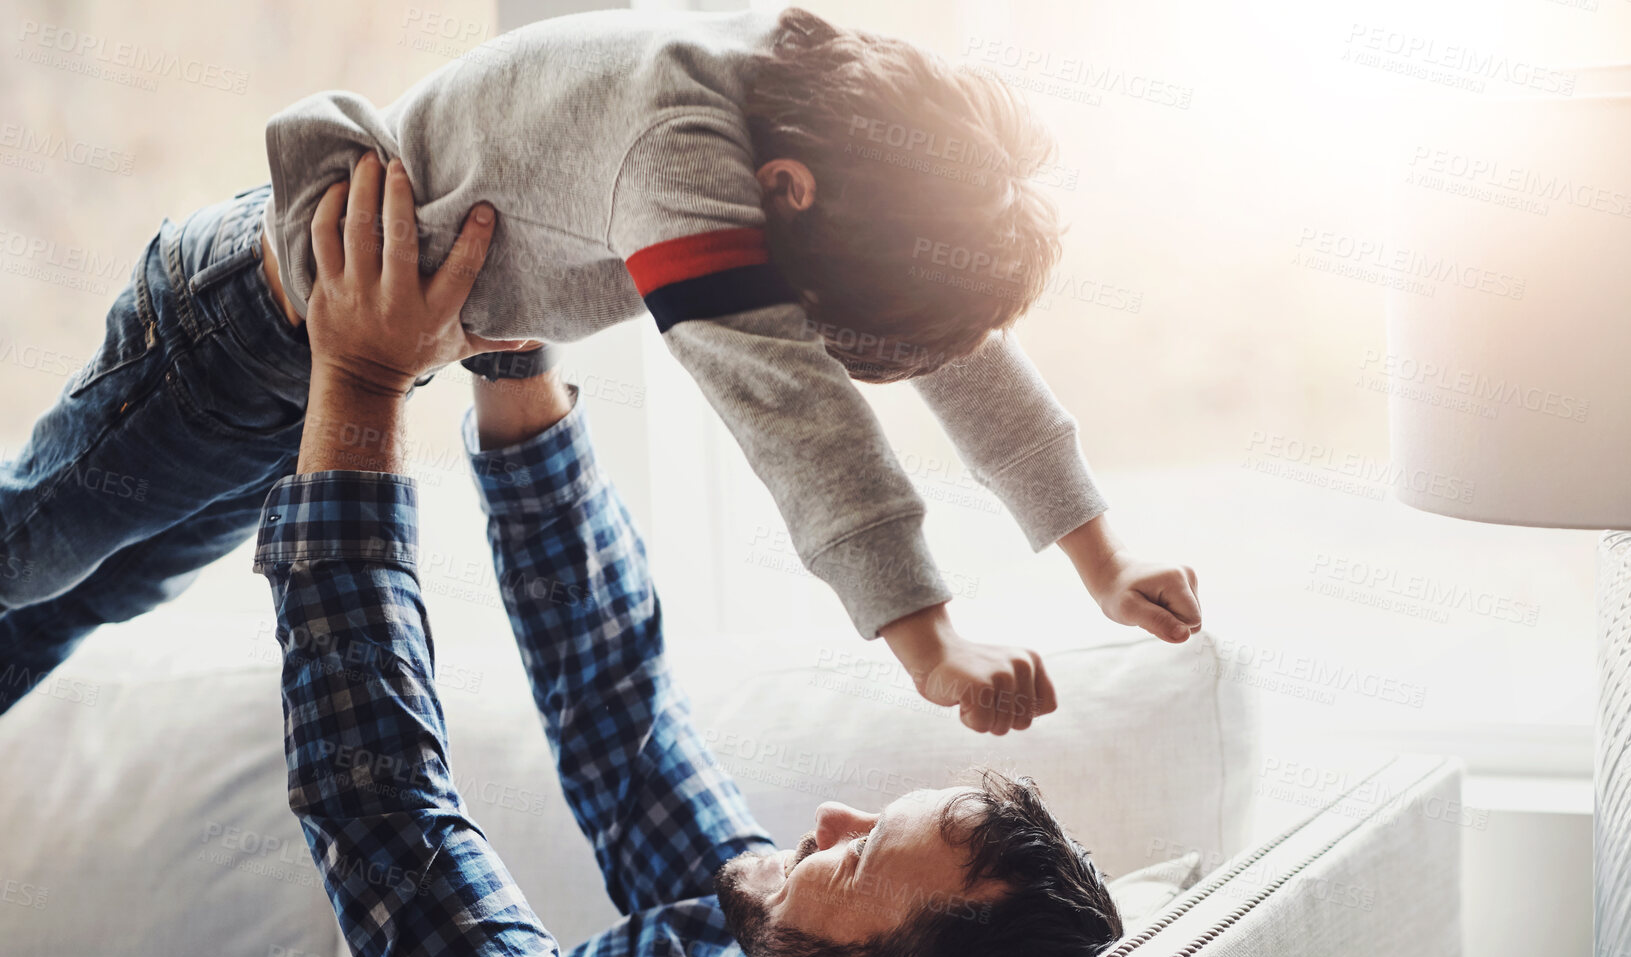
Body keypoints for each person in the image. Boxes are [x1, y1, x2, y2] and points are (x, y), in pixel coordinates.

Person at [0, 156, 1123, 957]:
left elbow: (384, 817)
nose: (826, 822)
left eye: (860, 853)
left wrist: (362, 380)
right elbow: (616, 713)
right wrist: (511, 346)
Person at [0, 5, 1201, 732]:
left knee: (90, 591)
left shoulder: (826, 105)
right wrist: (929, 644)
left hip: (318, 363)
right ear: (787, 197)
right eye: (826, 312)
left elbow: (955, 342)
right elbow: (793, 412)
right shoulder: (682, 151)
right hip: (227, 335)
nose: (815, 329)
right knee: (31, 552)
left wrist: (1098, 555)